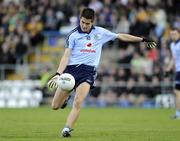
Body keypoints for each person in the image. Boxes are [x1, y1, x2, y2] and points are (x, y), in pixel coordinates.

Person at [48, 8, 156, 137]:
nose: (84, 25)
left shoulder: (100, 32)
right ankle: (65, 99)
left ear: (93, 22)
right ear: (80, 19)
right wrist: (58, 74)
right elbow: (66, 56)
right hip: (71, 71)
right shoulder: (73, 35)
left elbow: (120, 36)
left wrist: (143, 40)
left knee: (78, 101)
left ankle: (66, 129)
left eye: (87, 23)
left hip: (88, 72)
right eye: (82, 22)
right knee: (55, 106)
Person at [165, 28, 180, 119]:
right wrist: (168, 69)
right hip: (178, 70)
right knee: (177, 92)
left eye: (174, 34)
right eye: (171, 34)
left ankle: (178, 114)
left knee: (177, 92)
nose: (172, 36)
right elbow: (174, 59)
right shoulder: (172, 45)